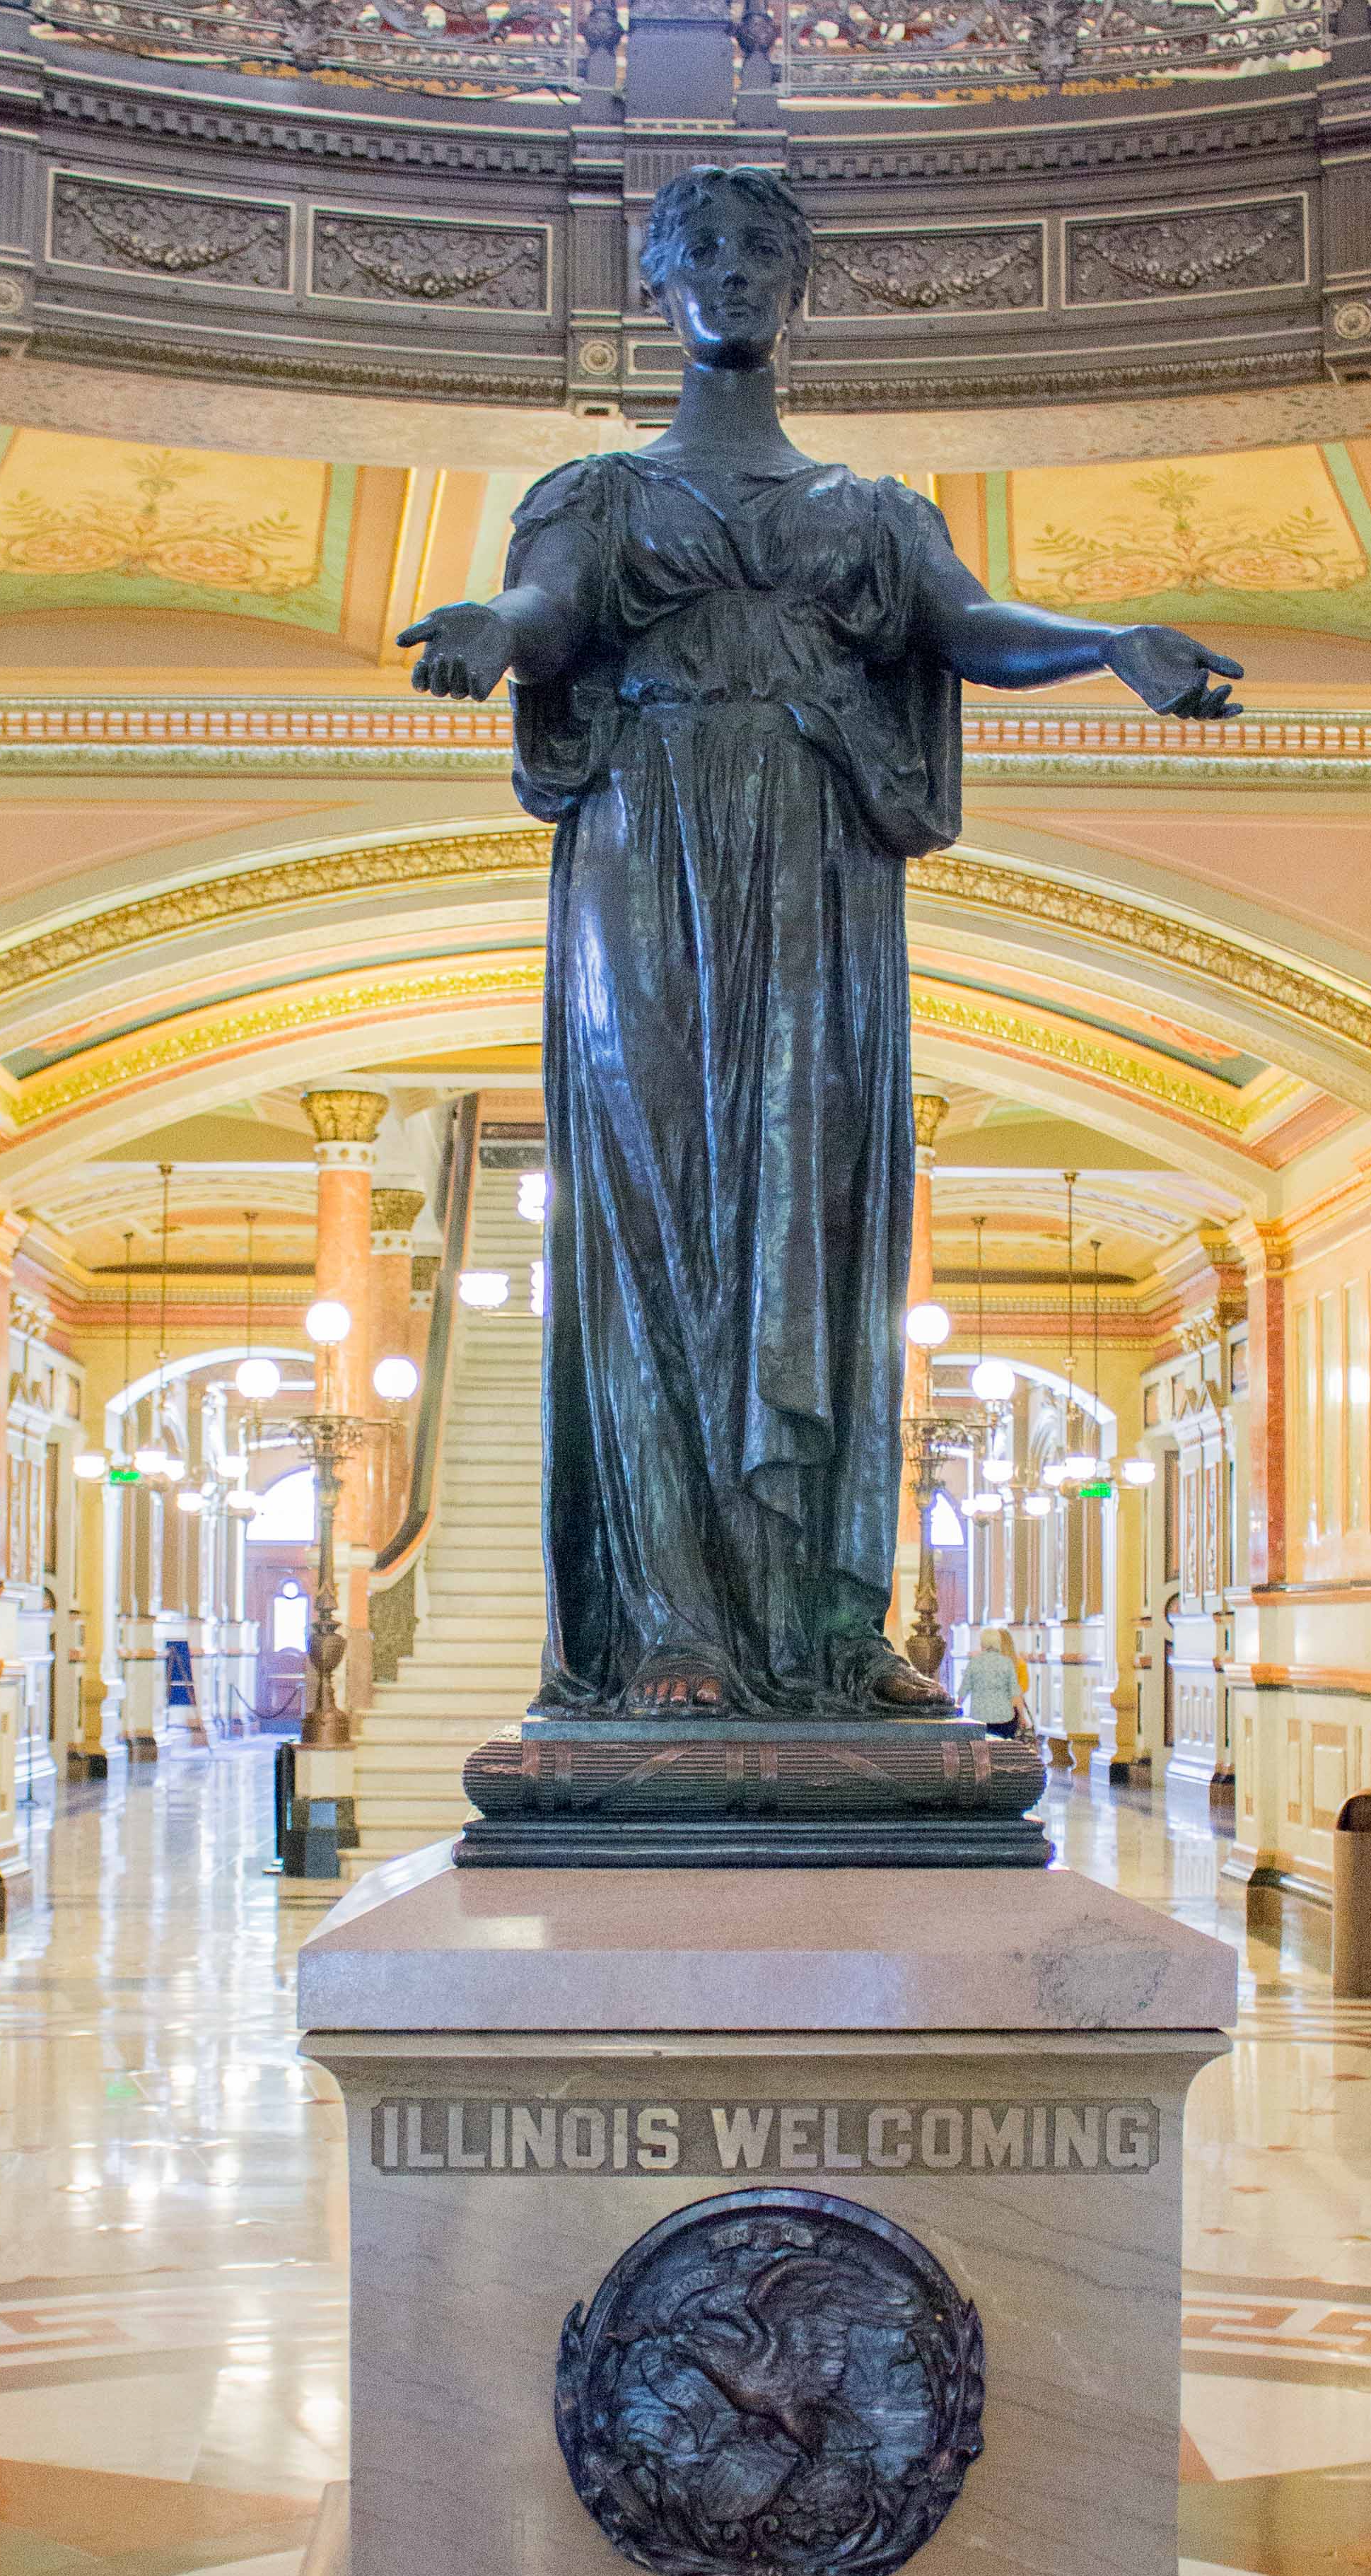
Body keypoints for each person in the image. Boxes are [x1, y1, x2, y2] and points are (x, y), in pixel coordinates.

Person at [399, 166, 1237, 1724]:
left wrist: (1108, 644)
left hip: (822, 868)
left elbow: (971, 627)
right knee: (663, 1225)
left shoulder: (874, 514)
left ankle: (833, 1627)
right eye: (700, 249)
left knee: (821, 1215)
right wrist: (493, 635)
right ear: (659, 285)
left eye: (761, 252)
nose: (731, 273)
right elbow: (546, 605)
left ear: (802, 287)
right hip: (648, 855)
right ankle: (670, 1628)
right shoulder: (598, 495)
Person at [961, 1626, 1027, 1739]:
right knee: (1005, 1748)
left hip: (983, 1713)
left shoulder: (978, 1663)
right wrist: (1022, 1717)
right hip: (1008, 1715)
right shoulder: (1016, 1664)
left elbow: (966, 1689)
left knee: (986, 1748)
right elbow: (1017, 1694)